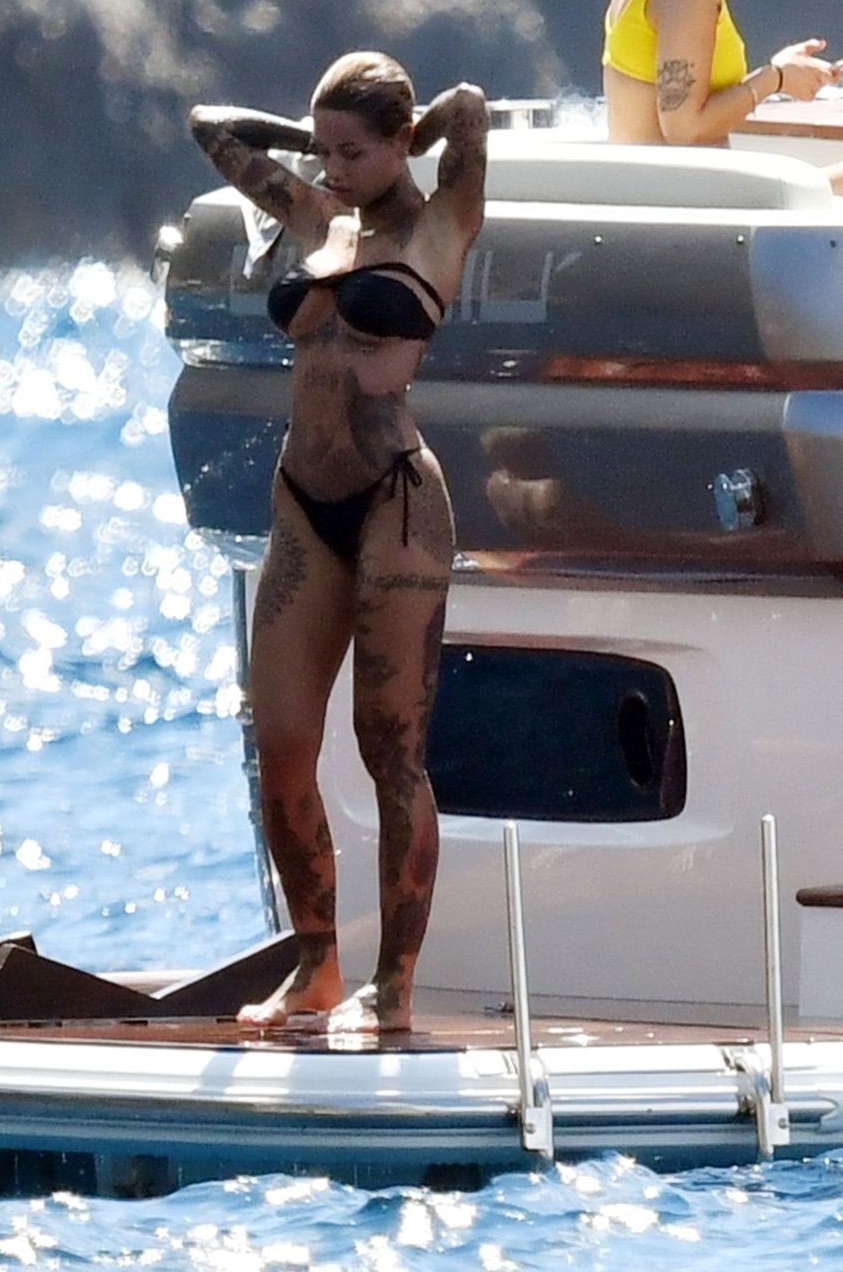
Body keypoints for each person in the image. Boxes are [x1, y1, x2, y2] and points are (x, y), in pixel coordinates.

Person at [188, 53, 486, 1035]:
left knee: (389, 749)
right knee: (280, 744)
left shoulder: (441, 223)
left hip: (395, 501)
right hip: (303, 501)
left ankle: (393, 985)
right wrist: (312, 140)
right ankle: (316, 965)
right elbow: (210, 127)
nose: (334, 168)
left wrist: (421, 134)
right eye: (325, 151)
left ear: (399, 141)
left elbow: (470, 107)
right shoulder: (320, 217)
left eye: (354, 151)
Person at [603, 0, 843, 206]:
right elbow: (685, 130)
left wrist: (784, 73)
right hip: (691, 207)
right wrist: (776, 78)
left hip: (657, 194)